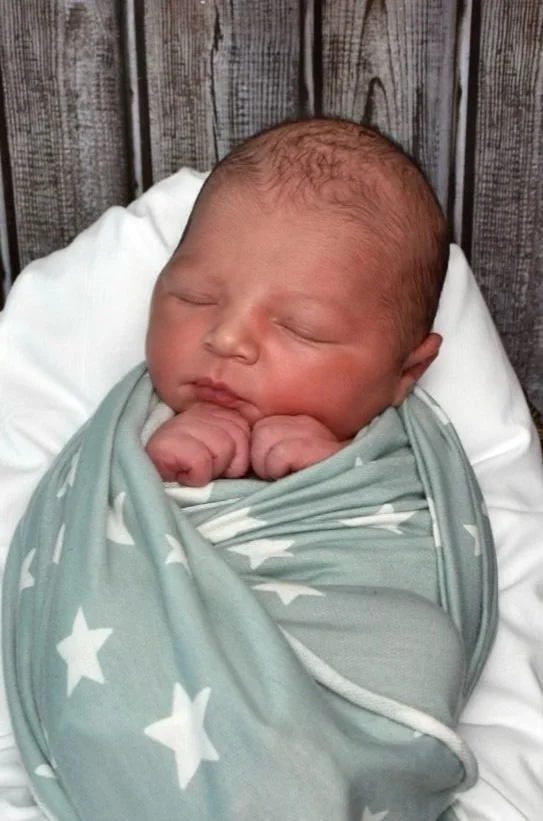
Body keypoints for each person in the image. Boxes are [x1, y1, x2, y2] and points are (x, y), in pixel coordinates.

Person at [144, 117, 448, 485]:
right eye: (195, 297)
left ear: (406, 372)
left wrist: (338, 483)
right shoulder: (129, 423)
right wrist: (148, 471)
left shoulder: (415, 463)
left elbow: (444, 535)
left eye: (301, 328)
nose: (225, 339)